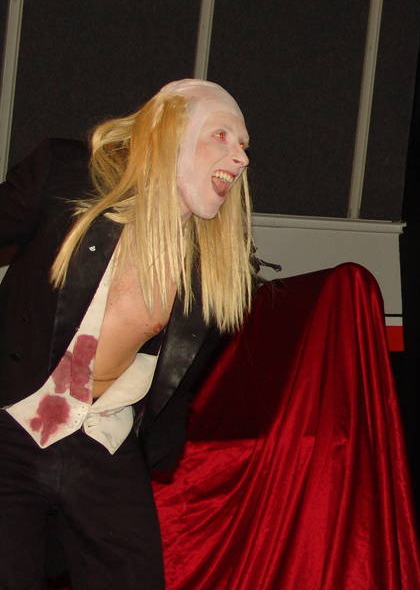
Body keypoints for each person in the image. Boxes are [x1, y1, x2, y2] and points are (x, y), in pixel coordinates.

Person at [0, 79, 253, 589]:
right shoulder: (65, 175)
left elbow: (181, 381)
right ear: (169, 132)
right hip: (14, 423)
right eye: (221, 135)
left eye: (245, 146)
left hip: (103, 439)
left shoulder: (213, 268)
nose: (241, 157)